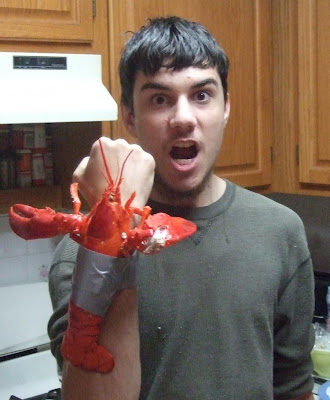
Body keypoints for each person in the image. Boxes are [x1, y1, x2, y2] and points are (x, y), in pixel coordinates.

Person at [48, 16, 315, 400]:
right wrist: (113, 245)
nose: (184, 119)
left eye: (202, 95)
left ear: (225, 108)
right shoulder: (81, 254)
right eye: (160, 99)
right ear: (129, 118)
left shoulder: (280, 231)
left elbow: (293, 388)